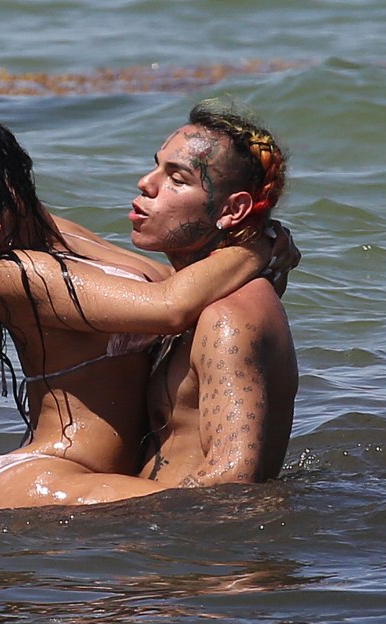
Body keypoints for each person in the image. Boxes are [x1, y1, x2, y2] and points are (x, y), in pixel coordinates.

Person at [0, 109, 295, 513]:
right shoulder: (15, 275)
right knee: (208, 503)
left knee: (206, 504)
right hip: (46, 477)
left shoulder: (64, 234)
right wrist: (260, 245)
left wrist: (263, 269)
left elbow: (191, 292)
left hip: (99, 480)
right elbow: (171, 306)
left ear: (14, 177)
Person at [133, 102, 298, 488]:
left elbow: (233, 478)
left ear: (233, 209)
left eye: (176, 178)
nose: (146, 182)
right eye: (156, 165)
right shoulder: (192, 293)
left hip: (184, 538)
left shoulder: (229, 317)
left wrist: (125, 530)